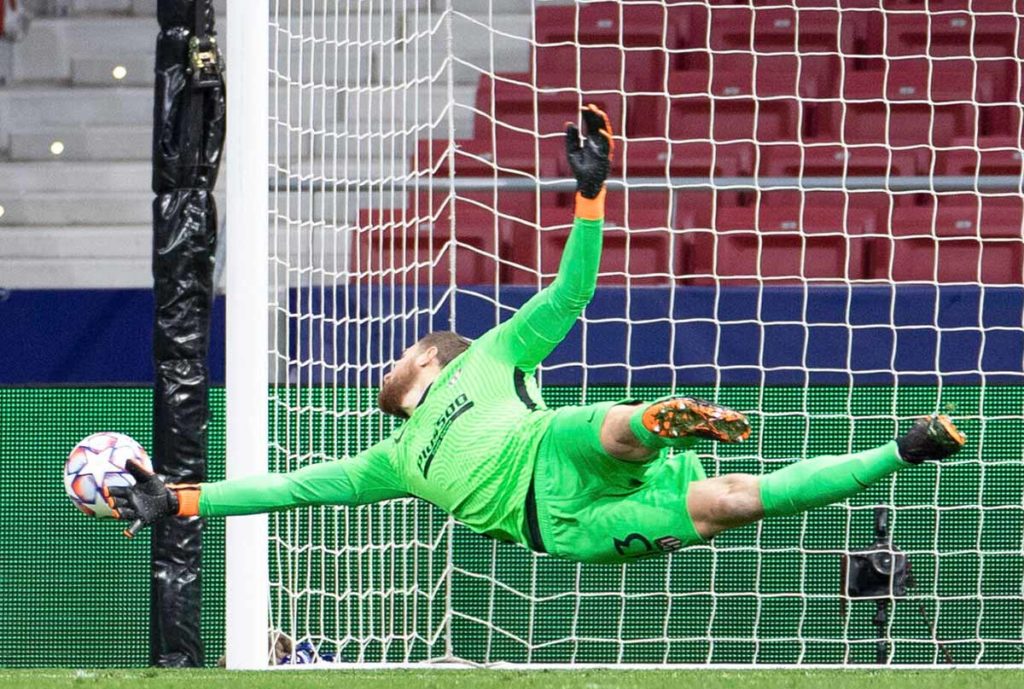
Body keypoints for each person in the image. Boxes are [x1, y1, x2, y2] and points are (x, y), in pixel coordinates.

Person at [106, 104, 965, 564]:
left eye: (404, 352)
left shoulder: (490, 354)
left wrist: (589, 196)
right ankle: (905, 447)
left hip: (550, 445)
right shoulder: (391, 460)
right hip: (561, 525)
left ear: (431, 356)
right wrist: (180, 499)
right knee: (735, 500)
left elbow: (571, 289)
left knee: (607, 427)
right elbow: (290, 489)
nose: (390, 361)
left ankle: (655, 421)